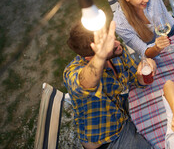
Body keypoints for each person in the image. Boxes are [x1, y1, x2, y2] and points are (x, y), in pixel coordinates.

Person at [63, 21, 156, 149]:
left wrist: (144, 72)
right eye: (110, 45)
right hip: (109, 140)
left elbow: (136, 78)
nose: (118, 44)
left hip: (125, 114)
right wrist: (101, 56)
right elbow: (84, 84)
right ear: (92, 57)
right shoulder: (72, 72)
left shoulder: (116, 52)